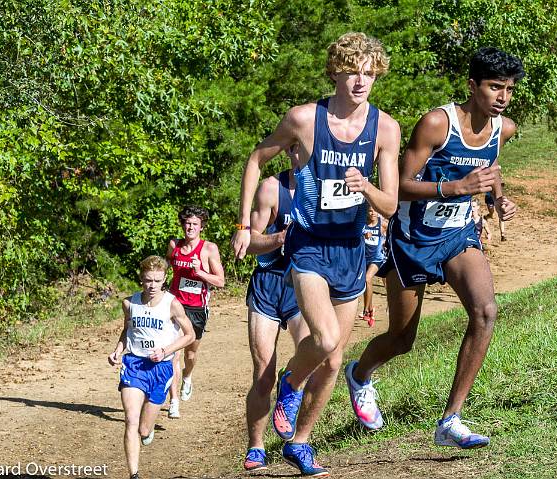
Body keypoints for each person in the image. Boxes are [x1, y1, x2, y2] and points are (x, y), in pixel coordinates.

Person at [232, 32, 400, 477]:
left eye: (368, 73)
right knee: (323, 340)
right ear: (335, 72)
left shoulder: (385, 129)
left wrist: (366, 188)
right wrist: (244, 225)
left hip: (350, 249)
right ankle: (288, 383)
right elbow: (255, 159)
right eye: (351, 72)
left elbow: (391, 203)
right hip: (308, 248)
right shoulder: (305, 119)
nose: (361, 81)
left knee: (332, 362)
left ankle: (300, 442)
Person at [344, 46, 523, 449]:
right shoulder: (436, 124)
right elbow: (398, 186)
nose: (502, 97)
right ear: (472, 85)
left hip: (458, 236)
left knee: (485, 311)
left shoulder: (503, 128)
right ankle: (359, 374)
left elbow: (491, 170)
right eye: (495, 87)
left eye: (509, 89)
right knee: (402, 339)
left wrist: (498, 201)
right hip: (411, 239)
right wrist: (454, 188)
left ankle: (451, 419)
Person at [242, 145, 311, 471]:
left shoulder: (327, 186)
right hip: (269, 285)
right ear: (290, 152)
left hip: (302, 285)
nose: (305, 156)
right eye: (298, 150)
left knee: (311, 353)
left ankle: (292, 383)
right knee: (264, 373)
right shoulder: (273, 187)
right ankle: (256, 447)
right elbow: (250, 241)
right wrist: (280, 238)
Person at [108, 256, 196, 479]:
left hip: (161, 369)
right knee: (131, 420)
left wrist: (166, 351)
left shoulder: (172, 304)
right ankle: (134, 475)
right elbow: (127, 332)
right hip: (134, 365)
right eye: (148, 280)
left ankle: (148, 430)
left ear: (164, 278)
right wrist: (118, 350)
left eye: (157, 280)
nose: (152, 286)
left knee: (144, 429)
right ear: (141, 278)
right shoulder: (129, 303)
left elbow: (190, 335)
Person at [166, 206, 225, 419]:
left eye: (194, 224)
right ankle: (173, 401)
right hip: (174, 305)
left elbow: (220, 281)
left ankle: (188, 377)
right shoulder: (174, 245)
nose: (190, 227)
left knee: (190, 354)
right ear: (183, 224)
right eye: (187, 223)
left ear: (201, 226)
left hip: (196, 308)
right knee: (173, 354)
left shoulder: (208, 249)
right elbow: (165, 266)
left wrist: (200, 272)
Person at [360, 205, 387, 327]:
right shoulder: (362, 225)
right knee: (365, 284)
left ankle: (365, 310)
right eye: (370, 211)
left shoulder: (382, 224)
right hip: (363, 258)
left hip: (377, 259)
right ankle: (371, 310)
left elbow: (393, 232)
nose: (372, 213)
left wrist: (386, 241)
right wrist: (363, 236)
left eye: (375, 211)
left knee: (367, 278)